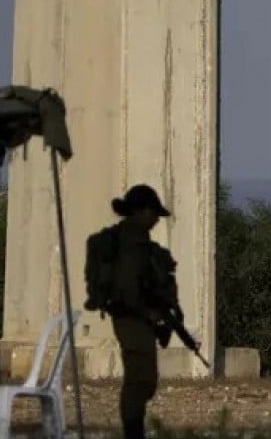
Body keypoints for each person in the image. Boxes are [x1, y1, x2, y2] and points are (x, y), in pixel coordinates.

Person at [106, 184, 175, 439]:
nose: (156, 219)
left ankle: (134, 430)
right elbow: (128, 288)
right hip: (131, 317)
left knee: (144, 379)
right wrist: (149, 313)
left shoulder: (135, 240)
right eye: (153, 213)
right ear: (141, 211)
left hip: (135, 316)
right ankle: (133, 433)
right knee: (139, 380)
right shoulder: (132, 242)